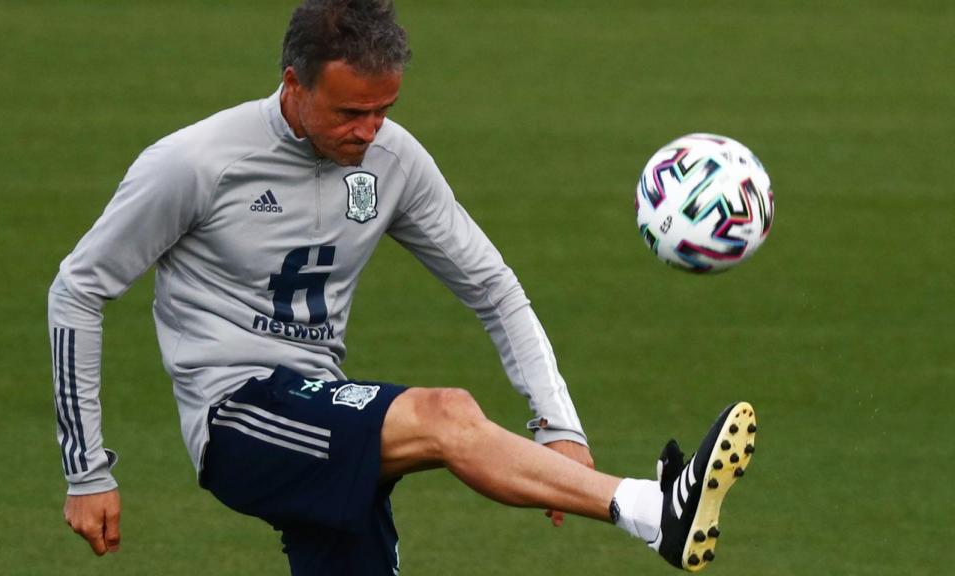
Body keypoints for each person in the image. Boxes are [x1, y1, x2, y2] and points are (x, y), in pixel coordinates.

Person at [48, 0, 756, 573]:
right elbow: (78, 289)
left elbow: (493, 287)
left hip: (328, 414)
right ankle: (654, 511)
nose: (369, 131)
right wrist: (87, 471)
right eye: (349, 113)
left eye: (383, 109)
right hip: (237, 418)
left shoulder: (392, 160)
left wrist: (559, 426)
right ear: (294, 84)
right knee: (445, 413)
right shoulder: (195, 163)